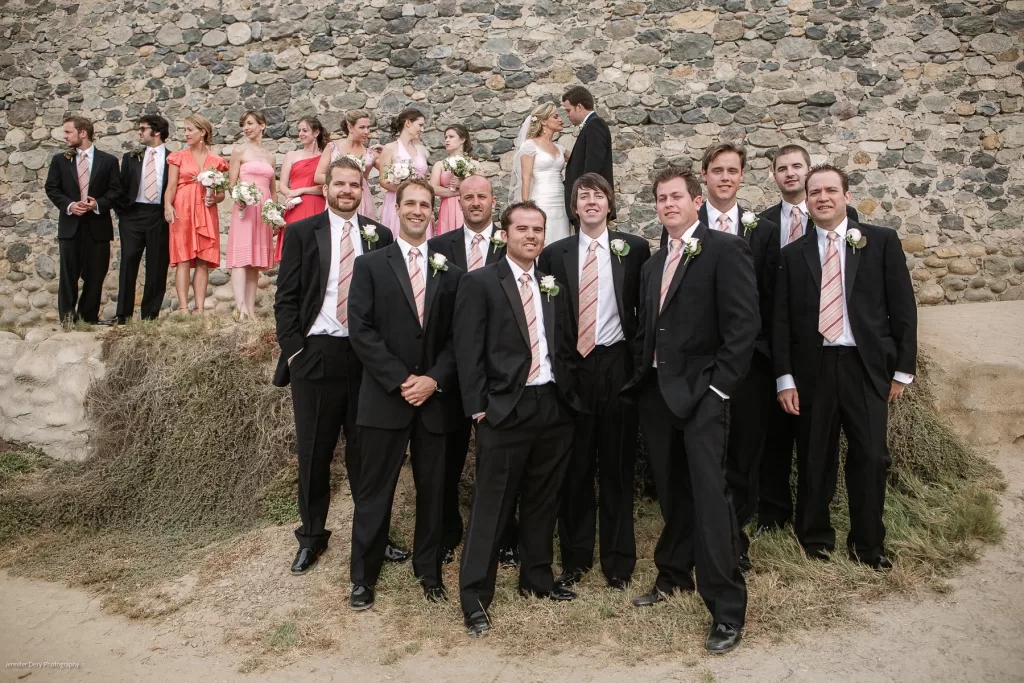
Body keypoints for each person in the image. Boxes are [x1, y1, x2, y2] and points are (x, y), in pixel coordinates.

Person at [620, 167, 758, 654]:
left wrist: (720, 389)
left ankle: (725, 608)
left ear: (696, 201)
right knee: (672, 492)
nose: (667, 204)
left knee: (709, 495)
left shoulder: (725, 248)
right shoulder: (655, 263)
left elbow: (744, 327)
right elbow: (646, 328)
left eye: (676, 196)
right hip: (658, 395)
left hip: (703, 394)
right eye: (661, 198)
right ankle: (672, 575)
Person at [774, 164, 917, 571]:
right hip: (814, 367)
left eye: (830, 190)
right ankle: (815, 539)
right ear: (807, 199)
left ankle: (869, 544)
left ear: (846, 196)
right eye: (814, 191)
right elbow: (782, 320)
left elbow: (903, 308)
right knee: (816, 455)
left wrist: (902, 370)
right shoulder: (793, 254)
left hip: (865, 366)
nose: (822, 197)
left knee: (872, 456)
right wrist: (785, 378)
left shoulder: (881, 242)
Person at [273, 157, 407, 576]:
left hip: (366, 358)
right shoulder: (300, 232)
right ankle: (311, 537)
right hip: (316, 355)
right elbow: (286, 298)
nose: (347, 191)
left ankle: (373, 538)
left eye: (354, 185)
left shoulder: (380, 234)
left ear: (362, 189)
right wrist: (296, 351)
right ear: (327, 187)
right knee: (314, 452)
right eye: (341, 184)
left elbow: (389, 299)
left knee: (367, 454)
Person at [455, 201, 581, 638]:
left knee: (544, 499)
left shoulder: (553, 283)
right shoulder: (480, 283)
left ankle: (537, 580)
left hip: (553, 405)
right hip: (504, 409)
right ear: (504, 234)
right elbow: (467, 352)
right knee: (493, 506)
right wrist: (479, 408)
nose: (531, 236)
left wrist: (570, 396)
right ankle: (474, 598)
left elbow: (561, 344)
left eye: (538, 229)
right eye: (522, 228)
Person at [658, 142, 779, 572]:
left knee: (741, 456)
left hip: (748, 363)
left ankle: (734, 544)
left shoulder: (760, 227)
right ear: (703, 178)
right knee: (703, 467)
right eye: (717, 169)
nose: (725, 176)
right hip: (694, 371)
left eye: (733, 170)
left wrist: (750, 365)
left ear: (742, 176)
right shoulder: (679, 228)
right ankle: (699, 552)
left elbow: (767, 299)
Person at [347, 178, 464, 609]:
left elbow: (459, 338)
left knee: (434, 492)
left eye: (424, 204)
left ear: (434, 211)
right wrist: (400, 380)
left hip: (434, 402)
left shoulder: (451, 272)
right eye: (410, 203)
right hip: (384, 398)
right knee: (375, 491)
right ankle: (363, 576)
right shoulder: (371, 265)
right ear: (396, 209)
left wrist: (433, 379)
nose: (417, 210)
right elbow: (360, 330)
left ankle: (429, 571)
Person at [538, 173, 650, 591]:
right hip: (574, 368)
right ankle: (576, 558)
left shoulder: (634, 249)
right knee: (576, 468)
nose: (590, 202)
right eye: (582, 196)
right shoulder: (555, 255)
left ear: (609, 203)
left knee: (618, 468)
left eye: (597, 195)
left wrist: (637, 369)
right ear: (573, 206)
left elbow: (645, 309)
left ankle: (619, 563)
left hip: (617, 364)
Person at [757, 145, 859, 533]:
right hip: (774, 340)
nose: (789, 174)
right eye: (781, 168)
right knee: (776, 434)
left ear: (809, 170)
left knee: (818, 440)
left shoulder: (847, 223)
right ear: (773, 176)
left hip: (822, 344)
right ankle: (774, 511)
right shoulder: (762, 222)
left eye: (796, 166)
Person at [427, 174, 506, 563]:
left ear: (494, 200)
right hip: (449, 368)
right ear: (458, 200)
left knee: (502, 459)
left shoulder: (510, 243)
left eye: (482, 196)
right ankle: (446, 532)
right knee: (446, 458)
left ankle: (505, 535)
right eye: (468, 196)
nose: (475, 202)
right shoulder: (438, 247)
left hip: (497, 371)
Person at [44, 115, 123, 324]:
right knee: (68, 275)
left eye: (68, 132)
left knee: (96, 275)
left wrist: (97, 204)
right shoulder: (60, 160)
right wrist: (70, 205)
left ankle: (88, 319)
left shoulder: (109, 161)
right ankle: (68, 320)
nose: (65, 136)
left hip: (98, 226)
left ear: (83, 133)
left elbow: (116, 191)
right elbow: (52, 188)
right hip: (70, 225)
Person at [106, 115, 171, 325]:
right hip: (133, 215)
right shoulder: (130, 157)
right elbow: (120, 186)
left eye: (143, 129)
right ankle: (123, 315)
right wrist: (122, 212)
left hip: (159, 215)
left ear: (157, 131)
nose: (139, 132)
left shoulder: (172, 159)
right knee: (128, 263)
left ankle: (150, 316)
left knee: (157, 265)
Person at [164, 115, 227, 315]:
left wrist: (215, 199)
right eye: (185, 130)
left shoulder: (217, 161)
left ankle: (199, 308)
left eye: (190, 130)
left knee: (202, 259)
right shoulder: (178, 157)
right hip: (182, 209)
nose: (186, 134)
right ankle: (183, 308)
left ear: (203, 132)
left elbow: (222, 193)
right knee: (182, 257)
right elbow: (171, 186)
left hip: (206, 211)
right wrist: (167, 205)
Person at [226, 110, 276, 321]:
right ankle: (240, 309)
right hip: (245, 209)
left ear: (262, 125)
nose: (246, 128)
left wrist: (273, 212)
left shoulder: (270, 156)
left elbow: (272, 189)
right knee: (241, 259)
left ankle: (251, 310)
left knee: (254, 261)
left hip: (263, 211)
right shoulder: (239, 151)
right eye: (243, 124)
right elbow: (231, 183)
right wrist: (240, 197)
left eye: (250, 123)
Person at [509, 103, 572, 243]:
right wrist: (526, 208)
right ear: (543, 121)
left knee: (562, 238)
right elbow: (526, 177)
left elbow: (579, 159)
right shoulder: (530, 146)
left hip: (561, 200)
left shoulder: (560, 148)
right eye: (556, 116)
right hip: (542, 199)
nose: (561, 119)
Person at [277, 117, 329, 263]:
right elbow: (282, 184)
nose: (300, 134)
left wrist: (300, 190)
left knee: (315, 251)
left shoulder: (324, 157)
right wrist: (289, 195)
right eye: (299, 130)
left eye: (305, 130)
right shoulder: (291, 155)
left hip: (316, 205)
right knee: (293, 252)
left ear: (316, 132)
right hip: (294, 206)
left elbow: (326, 186)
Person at [562, 86, 614, 227]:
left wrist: (584, 196)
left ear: (579, 107)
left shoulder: (595, 124)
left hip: (590, 206)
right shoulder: (591, 125)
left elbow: (593, 165)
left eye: (568, 110)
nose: (567, 115)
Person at [314, 110, 380, 220]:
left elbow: (388, 177)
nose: (366, 131)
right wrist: (341, 180)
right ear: (350, 128)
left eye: (368, 128)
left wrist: (386, 152)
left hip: (362, 199)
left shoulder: (372, 154)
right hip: (338, 197)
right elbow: (318, 176)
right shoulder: (332, 148)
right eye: (362, 127)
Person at [378, 108, 430, 237]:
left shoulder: (421, 150)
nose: (422, 129)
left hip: (419, 201)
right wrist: (404, 191)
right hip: (397, 200)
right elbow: (383, 181)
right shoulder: (390, 148)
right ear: (408, 123)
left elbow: (425, 181)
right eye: (420, 125)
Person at [430, 125, 472, 236]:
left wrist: (462, 184)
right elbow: (433, 189)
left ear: (462, 139)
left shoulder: (473, 164)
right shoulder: (440, 164)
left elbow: (480, 187)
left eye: (451, 137)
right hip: (447, 207)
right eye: (446, 137)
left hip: (466, 205)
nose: (447, 140)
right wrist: (458, 192)